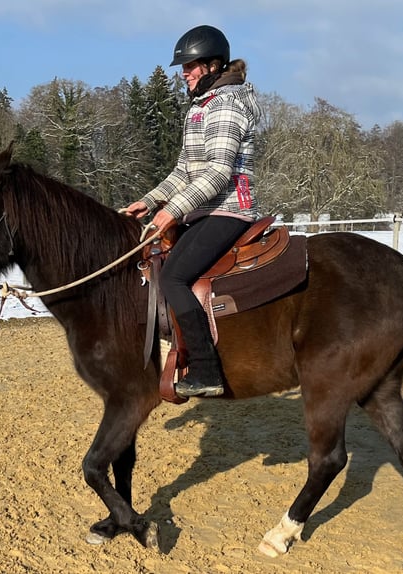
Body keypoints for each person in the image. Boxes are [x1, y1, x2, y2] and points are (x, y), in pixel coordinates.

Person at [126, 24, 262, 398]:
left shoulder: (227, 105)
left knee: (173, 277)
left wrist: (172, 212)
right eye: (183, 67)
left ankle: (206, 369)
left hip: (231, 209)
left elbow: (218, 172)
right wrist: (151, 201)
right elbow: (184, 171)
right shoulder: (200, 108)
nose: (183, 73)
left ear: (214, 66)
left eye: (190, 66)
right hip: (204, 211)